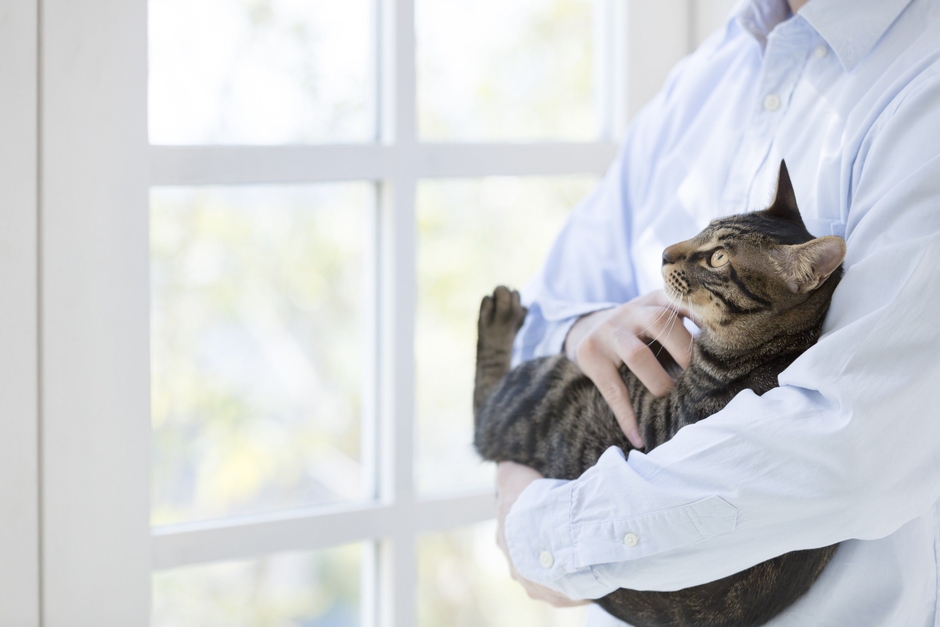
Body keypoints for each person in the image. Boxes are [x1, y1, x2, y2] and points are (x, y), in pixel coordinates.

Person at [494, 0, 940, 625]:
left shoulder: (926, 89)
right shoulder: (708, 71)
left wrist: (540, 526)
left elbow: (852, 449)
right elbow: (529, 321)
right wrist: (583, 331)